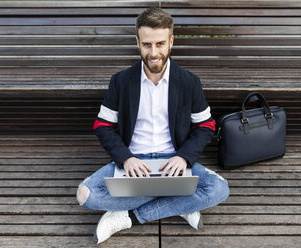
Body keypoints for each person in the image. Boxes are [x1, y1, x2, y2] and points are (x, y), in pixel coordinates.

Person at [76, 7, 230, 245]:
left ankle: (129, 217)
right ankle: (181, 201)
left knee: (219, 189)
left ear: (171, 42)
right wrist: (126, 159)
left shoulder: (189, 82)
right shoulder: (121, 81)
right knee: (86, 195)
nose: (154, 52)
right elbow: (103, 125)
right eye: (147, 44)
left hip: (174, 162)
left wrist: (184, 158)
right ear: (137, 42)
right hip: (133, 162)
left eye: (160, 44)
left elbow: (206, 125)